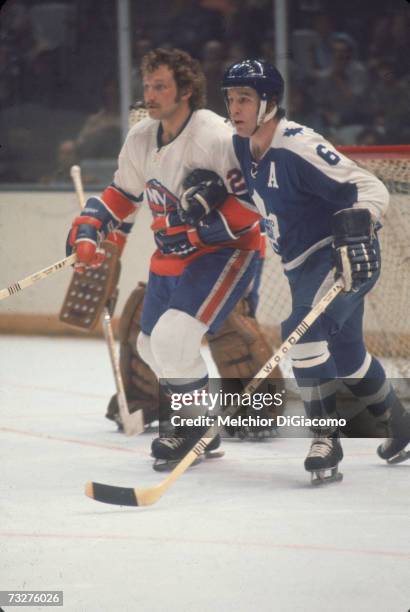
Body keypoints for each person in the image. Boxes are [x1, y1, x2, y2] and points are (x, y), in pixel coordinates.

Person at [66, 48, 265, 471]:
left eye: (161, 86)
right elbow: (123, 195)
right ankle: (202, 425)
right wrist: (90, 226)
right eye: (147, 86)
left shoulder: (214, 136)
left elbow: (253, 206)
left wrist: (195, 229)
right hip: (173, 258)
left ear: (187, 90)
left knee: (174, 339)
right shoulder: (141, 137)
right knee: (150, 343)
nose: (150, 95)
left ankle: (192, 430)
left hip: (225, 253)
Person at [221, 58, 410, 483]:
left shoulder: (298, 146)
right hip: (301, 266)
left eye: (245, 99)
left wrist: (358, 220)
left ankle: (326, 438)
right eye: (231, 99)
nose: (235, 108)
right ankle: (399, 423)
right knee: (346, 356)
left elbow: (371, 187)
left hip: (344, 256)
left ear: (269, 103)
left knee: (301, 330)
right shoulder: (240, 143)